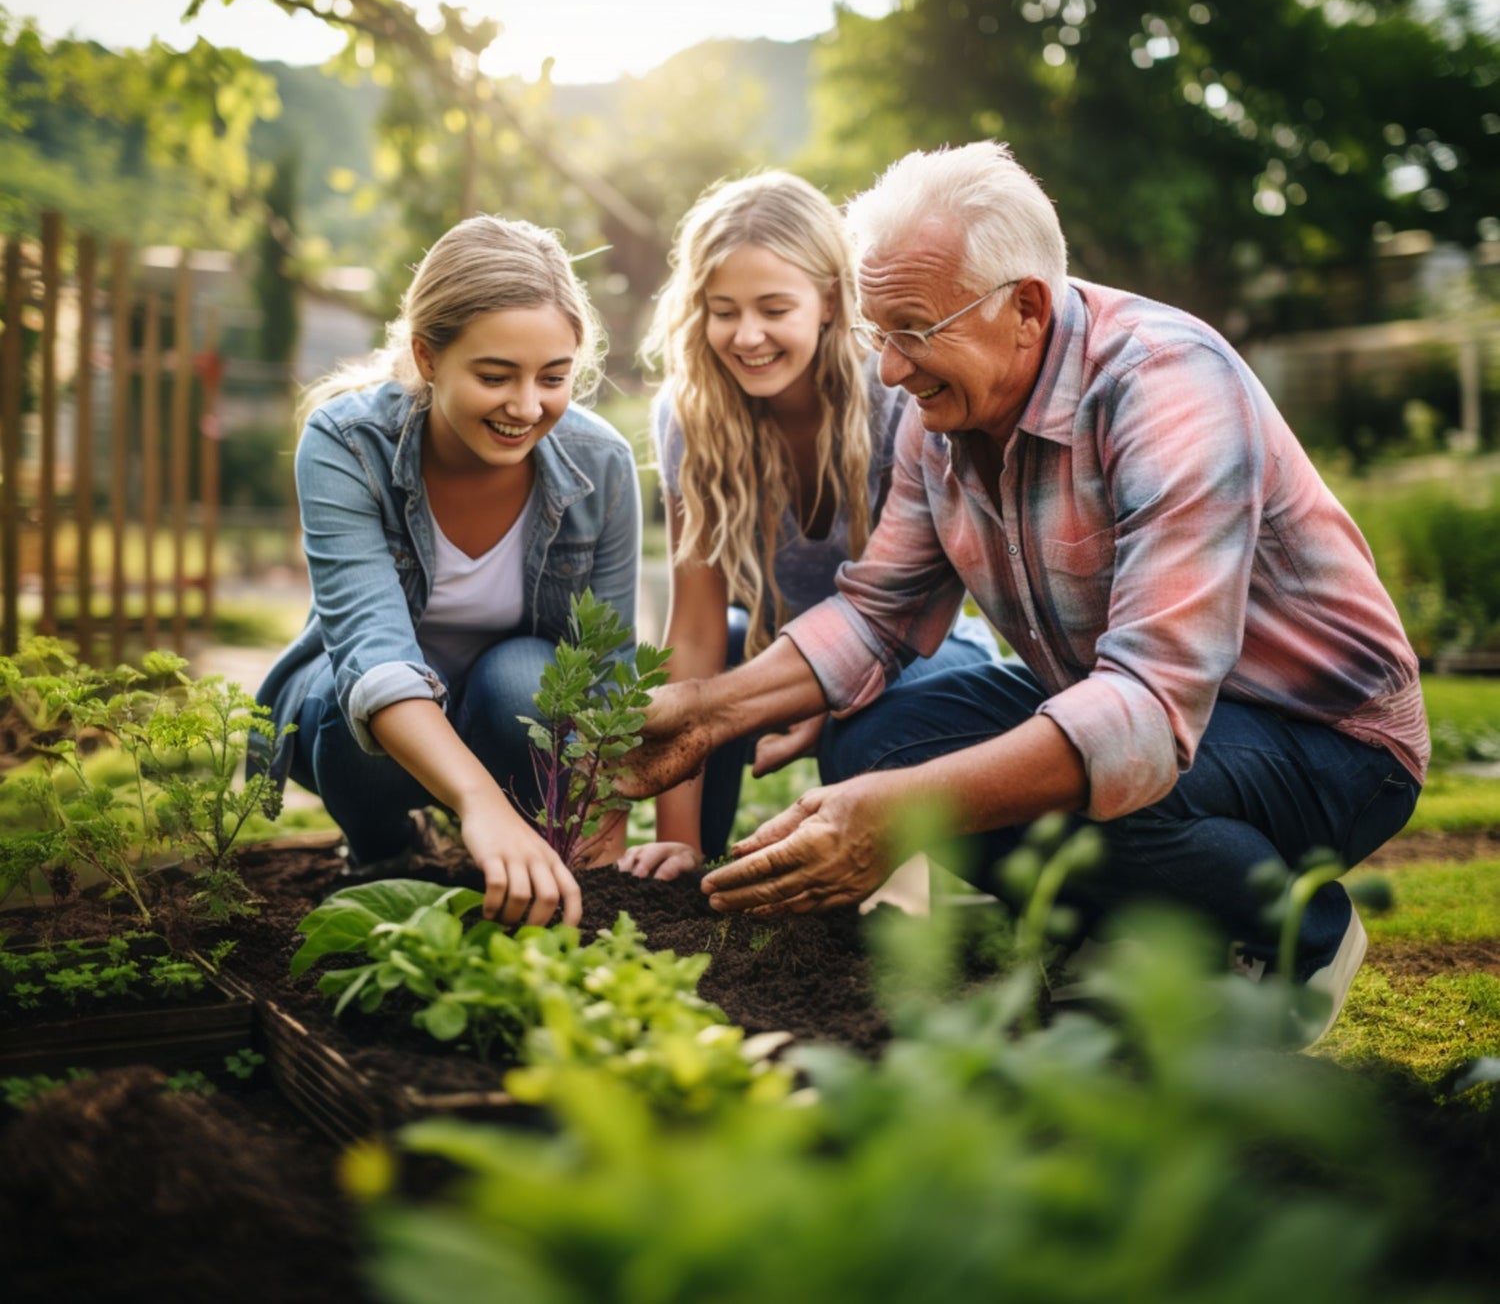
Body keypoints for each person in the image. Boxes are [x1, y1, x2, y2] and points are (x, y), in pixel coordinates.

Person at [616, 142, 1428, 1043]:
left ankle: (1291, 933)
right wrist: (704, 711)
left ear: (1026, 308)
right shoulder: (947, 413)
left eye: (911, 332)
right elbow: (877, 614)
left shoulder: (1164, 385)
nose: (888, 370)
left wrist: (902, 814)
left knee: (1058, 775)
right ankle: (1112, 930)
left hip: (1325, 744)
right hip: (1134, 716)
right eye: (877, 334)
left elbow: (1149, 712)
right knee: (881, 741)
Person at [253, 215, 641, 927]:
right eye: (495, 376)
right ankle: (382, 849)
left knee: (532, 673)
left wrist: (601, 835)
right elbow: (373, 657)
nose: (527, 407)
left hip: (503, 714)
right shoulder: (346, 444)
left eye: (553, 378)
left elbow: (608, 667)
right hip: (354, 727)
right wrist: (481, 805)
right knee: (354, 702)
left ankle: (524, 848)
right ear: (427, 357)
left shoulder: (603, 464)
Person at [617, 171, 994, 881]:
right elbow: (694, 629)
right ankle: (699, 858)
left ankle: (909, 882)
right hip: (775, 652)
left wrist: (827, 695)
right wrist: (675, 834)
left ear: (828, 299)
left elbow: (912, 611)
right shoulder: (689, 416)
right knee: (724, 645)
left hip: (918, 652)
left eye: (772, 307)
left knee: (879, 721)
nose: (746, 335)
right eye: (722, 310)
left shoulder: (896, 399)